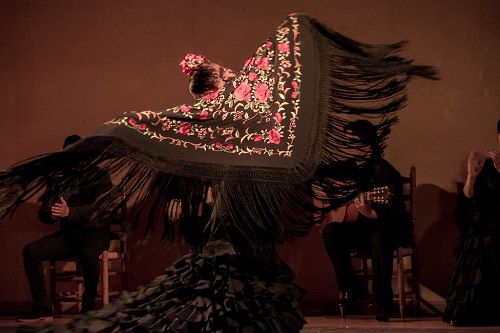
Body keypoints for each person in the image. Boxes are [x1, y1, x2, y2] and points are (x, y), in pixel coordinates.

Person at [0, 13, 436, 332]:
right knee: (235, 274)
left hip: (240, 200)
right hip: (232, 204)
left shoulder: (217, 119)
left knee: (244, 269)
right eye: (226, 76)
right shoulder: (215, 113)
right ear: (214, 85)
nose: (234, 79)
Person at [319, 120, 412, 321]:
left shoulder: (386, 173)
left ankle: (381, 304)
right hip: (358, 232)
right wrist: (326, 199)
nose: (347, 146)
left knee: (379, 237)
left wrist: (371, 213)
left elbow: (396, 215)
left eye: (351, 142)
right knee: (330, 231)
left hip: (386, 230)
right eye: (346, 142)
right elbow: (317, 178)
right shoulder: (345, 169)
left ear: (367, 144)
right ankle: (350, 287)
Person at [18, 135, 113, 322]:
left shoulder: (100, 175)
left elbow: (101, 207)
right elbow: (45, 211)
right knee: (30, 251)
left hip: (95, 232)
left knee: (88, 251)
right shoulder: (59, 178)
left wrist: (71, 211)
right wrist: (51, 214)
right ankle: (42, 309)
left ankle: (89, 307)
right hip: (69, 236)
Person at [443, 119, 500, 326]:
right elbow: (468, 201)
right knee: (480, 242)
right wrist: (471, 177)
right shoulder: (488, 167)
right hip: (488, 226)